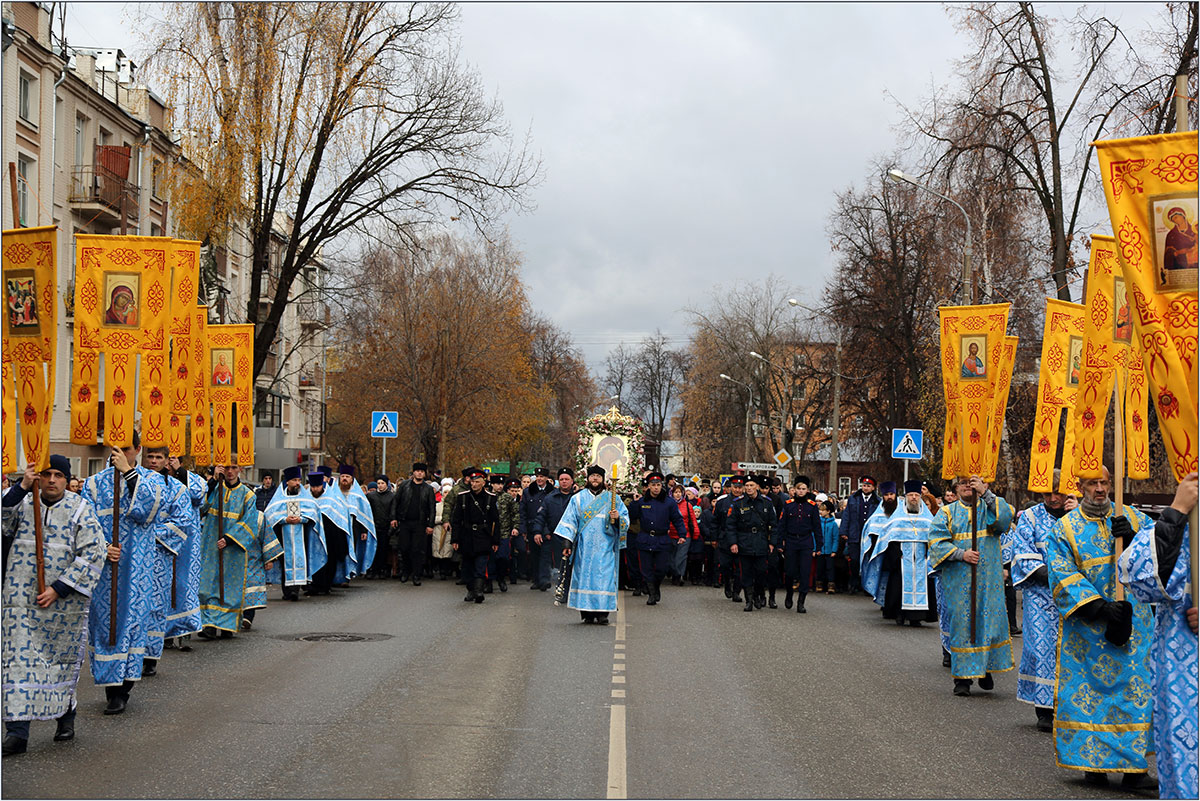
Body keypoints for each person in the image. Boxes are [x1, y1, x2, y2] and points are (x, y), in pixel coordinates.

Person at [1046, 466, 1154, 789]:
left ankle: (1135, 771)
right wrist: (1101, 608)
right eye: (1093, 483)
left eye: (1105, 482)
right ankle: (1093, 765)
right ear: (1080, 487)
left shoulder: (1133, 518)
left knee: (1132, 695)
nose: (1100, 489)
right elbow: (1062, 575)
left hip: (1133, 628)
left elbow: (1158, 555)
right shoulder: (1065, 529)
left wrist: (1134, 540)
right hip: (1089, 632)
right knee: (1092, 698)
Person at [2, 458, 106, 757]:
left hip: (63, 605)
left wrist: (58, 589)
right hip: (20, 601)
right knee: (17, 665)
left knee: (56, 664)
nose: (51, 480)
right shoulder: (22, 502)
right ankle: (17, 733)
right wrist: (22, 486)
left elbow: (92, 553)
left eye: (58, 475)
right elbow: (3, 521)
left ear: (67, 478)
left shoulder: (80, 509)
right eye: (45, 474)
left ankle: (65, 719)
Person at [1118, 471, 1198, 800]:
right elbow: (1139, 576)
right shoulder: (1182, 521)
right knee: (1184, 756)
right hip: (1183, 663)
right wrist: (1177, 512)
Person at [81, 434, 171, 715]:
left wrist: (128, 473)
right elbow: (86, 521)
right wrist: (103, 546)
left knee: (132, 623)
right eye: (115, 449)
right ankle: (110, 684)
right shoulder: (94, 483)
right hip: (106, 566)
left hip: (138, 569)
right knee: (106, 624)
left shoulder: (152, 480)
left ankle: (122, 690)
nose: (118, 453)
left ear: (137, 450)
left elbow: (150, 511)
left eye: (126, 449)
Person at [927, 474, 1014, 697]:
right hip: (959, 581)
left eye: (973, 482)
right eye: (963, 482)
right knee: (963, 626)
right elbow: (936, 543)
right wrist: (960, 554)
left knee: (988, 624)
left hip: (989, 580)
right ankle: (962, 678)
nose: (968, 486)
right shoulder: (947, 512)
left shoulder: (990, 507)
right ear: (956, 488)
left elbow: (1004, 521)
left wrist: (986, 494)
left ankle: (985, 669)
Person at [1006, 473, 1074, 731]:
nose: (1053, 498)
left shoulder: (1078, 516)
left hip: (1074, 595)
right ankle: (1044, 708)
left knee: (1071, 649)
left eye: (1058, 493)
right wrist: (1055, 575)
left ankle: (1069, 706)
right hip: (1040, 594)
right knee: (1042, 647)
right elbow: (1021, 555)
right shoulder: (1030, 517)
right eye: (1048, 493)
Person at [139, 445, 199, 674]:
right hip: (134, 555)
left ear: (166, 461)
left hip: (159, 554)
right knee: (134, 605)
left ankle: (150, 656)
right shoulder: (133, 483)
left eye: (159, 457)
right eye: (150, 457)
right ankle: (132, 651)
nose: (154, 461)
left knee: (155, 605)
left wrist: (149, 536)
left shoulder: (176, 488)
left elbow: (183, 520)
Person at [554, 465, 629, 624]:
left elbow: (625, 520)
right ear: (588, 479)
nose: (595, 479)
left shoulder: (612, 498)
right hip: (584, 548)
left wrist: (618, 519)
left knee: (604, 578)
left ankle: (603, 613)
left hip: (605, 546)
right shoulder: (578, 498)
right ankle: (586, 613)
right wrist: (567, 542)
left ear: (603, 479)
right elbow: (570, 521)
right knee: (584, 578)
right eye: (592, 476)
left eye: (598, 476)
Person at [196, 462, 260, 639]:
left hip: (233, 548)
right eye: (226, 468)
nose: (230, 471)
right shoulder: (216, 488)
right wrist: (213, 482)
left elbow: (250, 522)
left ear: (240, 469)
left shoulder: (248, 495)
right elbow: (201, 507)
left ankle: (227, 624)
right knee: (208, 584)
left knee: (230, 587)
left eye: (233, 467)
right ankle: (208, 624)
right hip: (211, 544)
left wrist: (230, 538)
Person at [865, 480, 935, 626]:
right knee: (898, 588)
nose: (914, 498)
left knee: (924, 586)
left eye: (916, 495)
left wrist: (928, 555)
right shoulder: (897, 518)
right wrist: (897, 556)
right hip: (902, 561)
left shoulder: (928, 519)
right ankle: (900, 615)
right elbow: (888, 540)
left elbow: (934, 539)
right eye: (911, 495)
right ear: (906, 497)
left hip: (921, 561)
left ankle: (917, 618)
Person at [162, 455, 206, 650]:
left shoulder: (191, 478)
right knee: (163, 587)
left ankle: (185, 633)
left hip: (187, 544)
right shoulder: (156, 480)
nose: (168, 463)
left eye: (172, 459)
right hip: (163, 541)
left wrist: (180, 472)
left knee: (184, 585)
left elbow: (199, 495)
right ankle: (165, 634)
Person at [263, 465, 324, 601]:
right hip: (283, 535)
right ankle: (287, 590)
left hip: (302, 535)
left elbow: (314, 512)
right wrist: (284, 519)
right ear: (287, 482)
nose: (297, 483)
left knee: (300, 559)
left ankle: (296, 589)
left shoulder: (305, 496)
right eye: (295, 480)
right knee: (286, 561)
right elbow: (270, 515)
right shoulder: (279, 497)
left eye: (299, 480)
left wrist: (301, 518)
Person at [627, 471, 686, 606]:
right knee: (646, 569)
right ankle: (652, 593)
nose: (656, 488)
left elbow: (677, 519)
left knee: (661, 569)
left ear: (661, 486)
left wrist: (682, 535)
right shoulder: (642, 501)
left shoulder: (669, 502)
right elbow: (633, 516)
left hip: (662, 539)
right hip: (645, 538)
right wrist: (635, 503)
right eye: (653, 485)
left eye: (658, 485)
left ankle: (656, 586)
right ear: (648, 486)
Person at [723, 475, 777, 612]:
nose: (749, 488)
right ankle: (749, 600)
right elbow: (730, 526)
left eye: (751, 485)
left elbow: (774, 525)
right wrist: (733, 543)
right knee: (745, 572)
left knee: (760, 572)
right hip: (744, 542)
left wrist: (772, 543)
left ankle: (758, 594)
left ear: (757, 487)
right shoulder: (737, 503)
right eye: (746, 486)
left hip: (761, 542)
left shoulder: (767, 503)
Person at [450, 467, 500, 603]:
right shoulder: (463, 497)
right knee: (467, 567)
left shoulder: (491, 499)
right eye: (472, 482)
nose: (474, 484)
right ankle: (471, 589)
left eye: (477, 482)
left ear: (483, 483)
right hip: (466, 536)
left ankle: (479, 591)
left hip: (483, 536)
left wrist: (495, 541)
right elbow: (456, 520)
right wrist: (455, 539)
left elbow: (496, 521)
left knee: (480, 565)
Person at [775, 476, 820, 613]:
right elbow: (782, 525)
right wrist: (779, 543)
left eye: (803, 489)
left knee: (805, 572)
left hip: (806, 541)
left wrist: (819, 545)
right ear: (794, 490)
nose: (801, 491)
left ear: (807, 490)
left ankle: (801, 601)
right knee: (789, 571)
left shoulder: (812, 506)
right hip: (791, 541)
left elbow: (817, 527)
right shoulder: (788, 505)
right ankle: (789, 593)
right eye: (798, 489)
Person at [308, 471, 352, 595]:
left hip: (330, 536)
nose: (315, 489)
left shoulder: (331, 498)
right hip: (313, 536)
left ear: (322, 485)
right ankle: (314, 585)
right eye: (313, 487)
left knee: (330, 560)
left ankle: (326, 585)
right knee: (313, 558)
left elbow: (339, 517)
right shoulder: (307, 498)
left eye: (318, 486)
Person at [537, 468, 579, 595]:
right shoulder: (550, 498)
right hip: (556, 536)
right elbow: (541, 517)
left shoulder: (578, 497)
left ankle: (573, 589)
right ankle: (562, 590)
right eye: (561, 479)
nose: (564, 482)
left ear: (572, 481)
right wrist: (539, 531)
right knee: (561, 565)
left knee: (574, 565)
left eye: (567, 479)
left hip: (575, 537)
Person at [335, 465, 376, 582]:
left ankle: (346, 577)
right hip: (337, 528)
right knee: (338, 552)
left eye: (347, 476)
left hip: (353, 528)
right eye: (342, 476)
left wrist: (364, 531)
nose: (344, 479)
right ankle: (336, 576)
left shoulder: (358, 496)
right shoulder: (334, 493)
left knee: (349, 552)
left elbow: (363, 514)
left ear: (352, 479)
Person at [839, 476, 879, 593]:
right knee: (854, 560)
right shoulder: (853, 498)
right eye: (864, 485)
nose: (865, 488)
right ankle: (853, 583)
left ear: (873, 488)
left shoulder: (877, 501)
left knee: (867, 560)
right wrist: (844, 531)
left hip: (869, 536)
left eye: (868, 486)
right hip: (854, 534)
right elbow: (847, 516)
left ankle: (867, 585)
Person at [521, 467, 556, 591]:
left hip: (547, 528)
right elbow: (523, 512)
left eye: (542, 477)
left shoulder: (552, 492)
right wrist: (523, 529)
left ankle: (544, 579)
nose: (539, 479)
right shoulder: (528, 492)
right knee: (534, 555)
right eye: (537, 476)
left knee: (545, 554)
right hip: (531, 527)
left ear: (547, 478)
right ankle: (536, 579)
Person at [713, 476, 744, 601]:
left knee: (740, 567)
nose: (737, 490)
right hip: (725, 538)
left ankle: (737, 591)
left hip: (741, 538)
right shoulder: (722, 502)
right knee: (725, 565)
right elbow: (715, 522)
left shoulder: (745, 501)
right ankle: (727, 583)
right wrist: (714, 538)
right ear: (730, 487)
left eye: (739, 488)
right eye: (735, 487)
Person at [494, 476, 521, 592]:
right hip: (489, 532)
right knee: (489, 559)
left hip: (504, 532)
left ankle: (501, 579)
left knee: (503, 557)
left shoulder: (507, 498)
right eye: (497, 484)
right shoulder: (488, 496)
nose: (499, 486)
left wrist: (515, 527)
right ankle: (487, 582)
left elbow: (515, 513)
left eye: (501, 484)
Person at [668, 484, 698, 587]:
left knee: (681, 557)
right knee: (671, 558)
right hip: (670, 534)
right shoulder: (668, 504)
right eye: (675, 492)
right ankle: (675, 574)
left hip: (685, 534)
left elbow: (693, 519)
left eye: (679, 492)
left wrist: (696, 533)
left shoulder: (687, 505)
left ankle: (679, 576)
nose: (678, 494)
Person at [365, 475, 394, 578]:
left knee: (384, 549)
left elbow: (393, 511)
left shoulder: (391, 496)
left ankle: (383, 569)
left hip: (385, 526)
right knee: (373, 548)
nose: (380, 486)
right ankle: (372, 569)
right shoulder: (371, 496)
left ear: (387, 484)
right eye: (379, 483)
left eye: (383, 483)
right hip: (373, 526)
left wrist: (391, 526)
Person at [815, 498, 839, 594]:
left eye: (823, 510)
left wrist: (834, 550)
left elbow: (835, 538)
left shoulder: (833, 524)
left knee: (830, 568)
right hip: (820, 550)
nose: (821, 512)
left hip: (829, 550)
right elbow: (815, 536)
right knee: (819, 568)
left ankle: (831, 585)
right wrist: (816, 548)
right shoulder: (818, 523)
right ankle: (819, 584)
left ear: (828, 511)